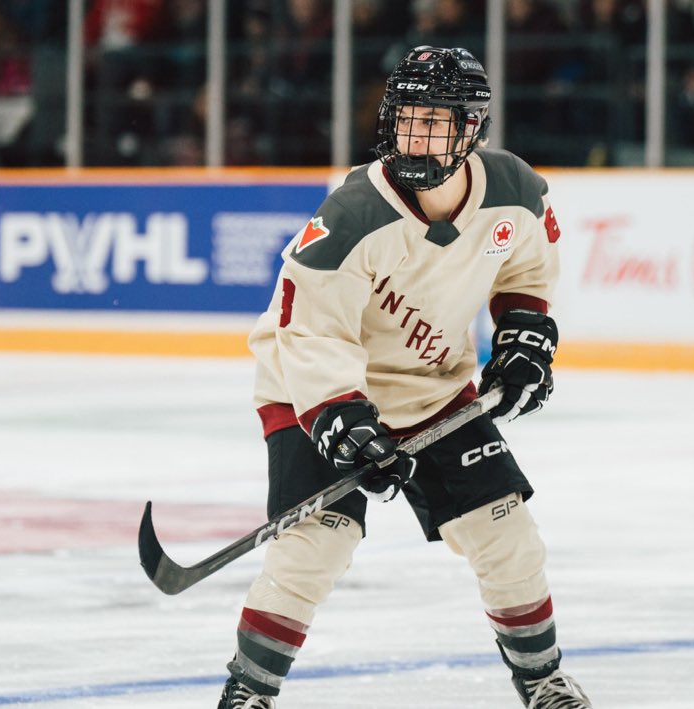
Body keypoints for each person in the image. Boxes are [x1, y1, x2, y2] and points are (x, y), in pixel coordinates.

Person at [219, 46, 591, 709]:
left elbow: (525, 272)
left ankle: (543, 681)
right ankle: (248, 691)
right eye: (406, 120)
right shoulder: (353, 215)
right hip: (312, 389)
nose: (414, 137)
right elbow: (306, 329)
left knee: (506, 534)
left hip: (433, 393)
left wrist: (523, 331)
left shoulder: (515, 195)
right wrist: (340, 416)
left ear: (470, 130)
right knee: (316, 543)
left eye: (434, 122)